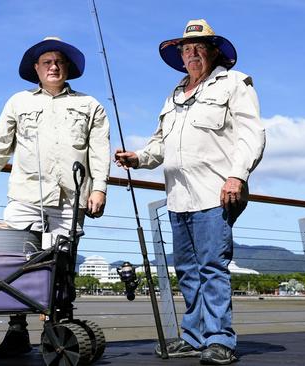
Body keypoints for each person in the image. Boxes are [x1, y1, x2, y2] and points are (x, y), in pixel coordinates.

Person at [114, 19, 265, 365]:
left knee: (212, 266)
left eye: (199, 47)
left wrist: (236, 176)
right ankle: (194, 337)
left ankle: (220, 340)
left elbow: (252, 135)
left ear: (213, 52)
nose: (192, 53)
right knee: (186, 270)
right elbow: (160, 144)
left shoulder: (235, 83)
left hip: (216, 193)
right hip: (178, 198)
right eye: (186, 49)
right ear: (180, 57)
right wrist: (137, 158)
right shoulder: (174, 94)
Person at [0, 37, 111, 358]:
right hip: (25, 195)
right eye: (46, 61)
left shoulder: (91, 106)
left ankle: (58, 328)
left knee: (62, 265)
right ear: (36, 68)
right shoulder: (18, 102)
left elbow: (99, 151)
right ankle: (16, 330)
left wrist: (100, 187)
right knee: (18, 262)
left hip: (71, 197)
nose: (53, 66)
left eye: (59, 61)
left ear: (69, 69)